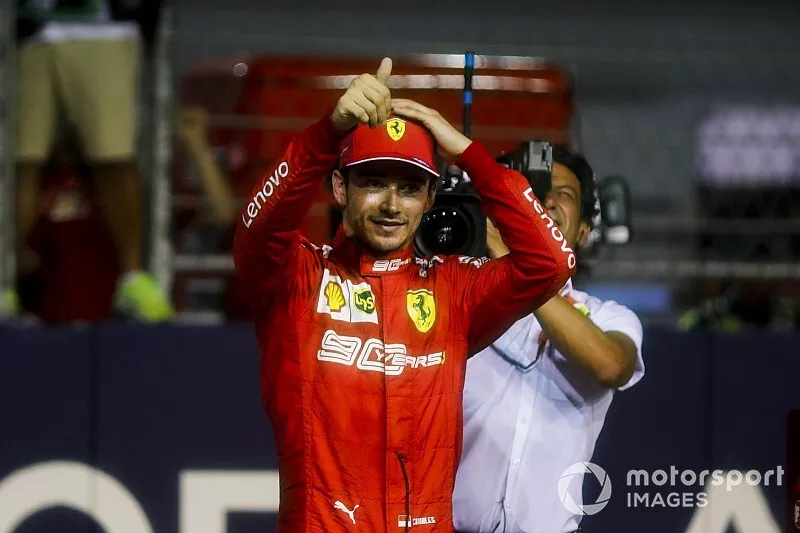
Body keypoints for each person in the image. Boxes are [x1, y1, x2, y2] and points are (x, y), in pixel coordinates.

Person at [233, 58, 576, 532]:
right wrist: (327, 133)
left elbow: (551, 263)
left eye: (410, 187)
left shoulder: (455, 291)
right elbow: (257, 230)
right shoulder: (296, 281)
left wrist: (470, 155)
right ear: (340, 187)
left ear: (431, 198)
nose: (392, 205)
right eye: (373, 182)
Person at [453, 146, 645, 533]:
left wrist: (526, 268)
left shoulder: (610, 316)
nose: (546, 201)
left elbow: (610, 365)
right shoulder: (461, 298)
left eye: (565, 194)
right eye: (532, 192)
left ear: (584, 233)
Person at [3, 0, 171, 321]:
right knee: (23, 160)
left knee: (113, 154)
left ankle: (133, 279)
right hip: (31, 31)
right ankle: (5, 280)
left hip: (104, 29)